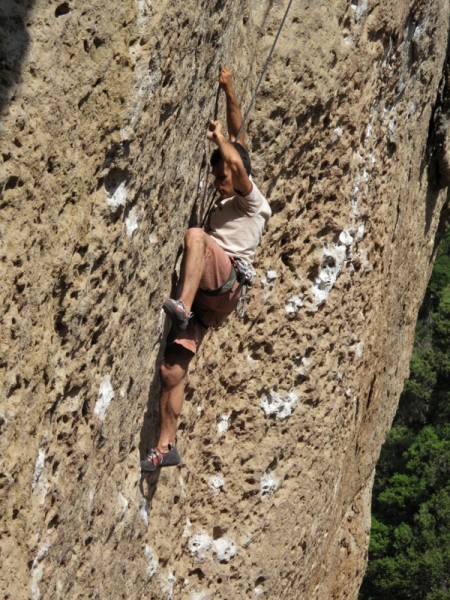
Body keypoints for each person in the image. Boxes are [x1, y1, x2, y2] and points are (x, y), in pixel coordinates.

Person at [140, 67, 271, 472]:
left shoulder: (252, 202)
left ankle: (180, 302)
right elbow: (239, 138)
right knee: (171, 369)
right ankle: (166, 445)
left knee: (197, 237)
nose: (217, 183)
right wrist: (230, 88)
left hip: (221, 282)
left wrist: (219, 142)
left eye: (221, 176)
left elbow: (236, 157)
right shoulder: (233, 190)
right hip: (210, 302)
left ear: (236, 173)